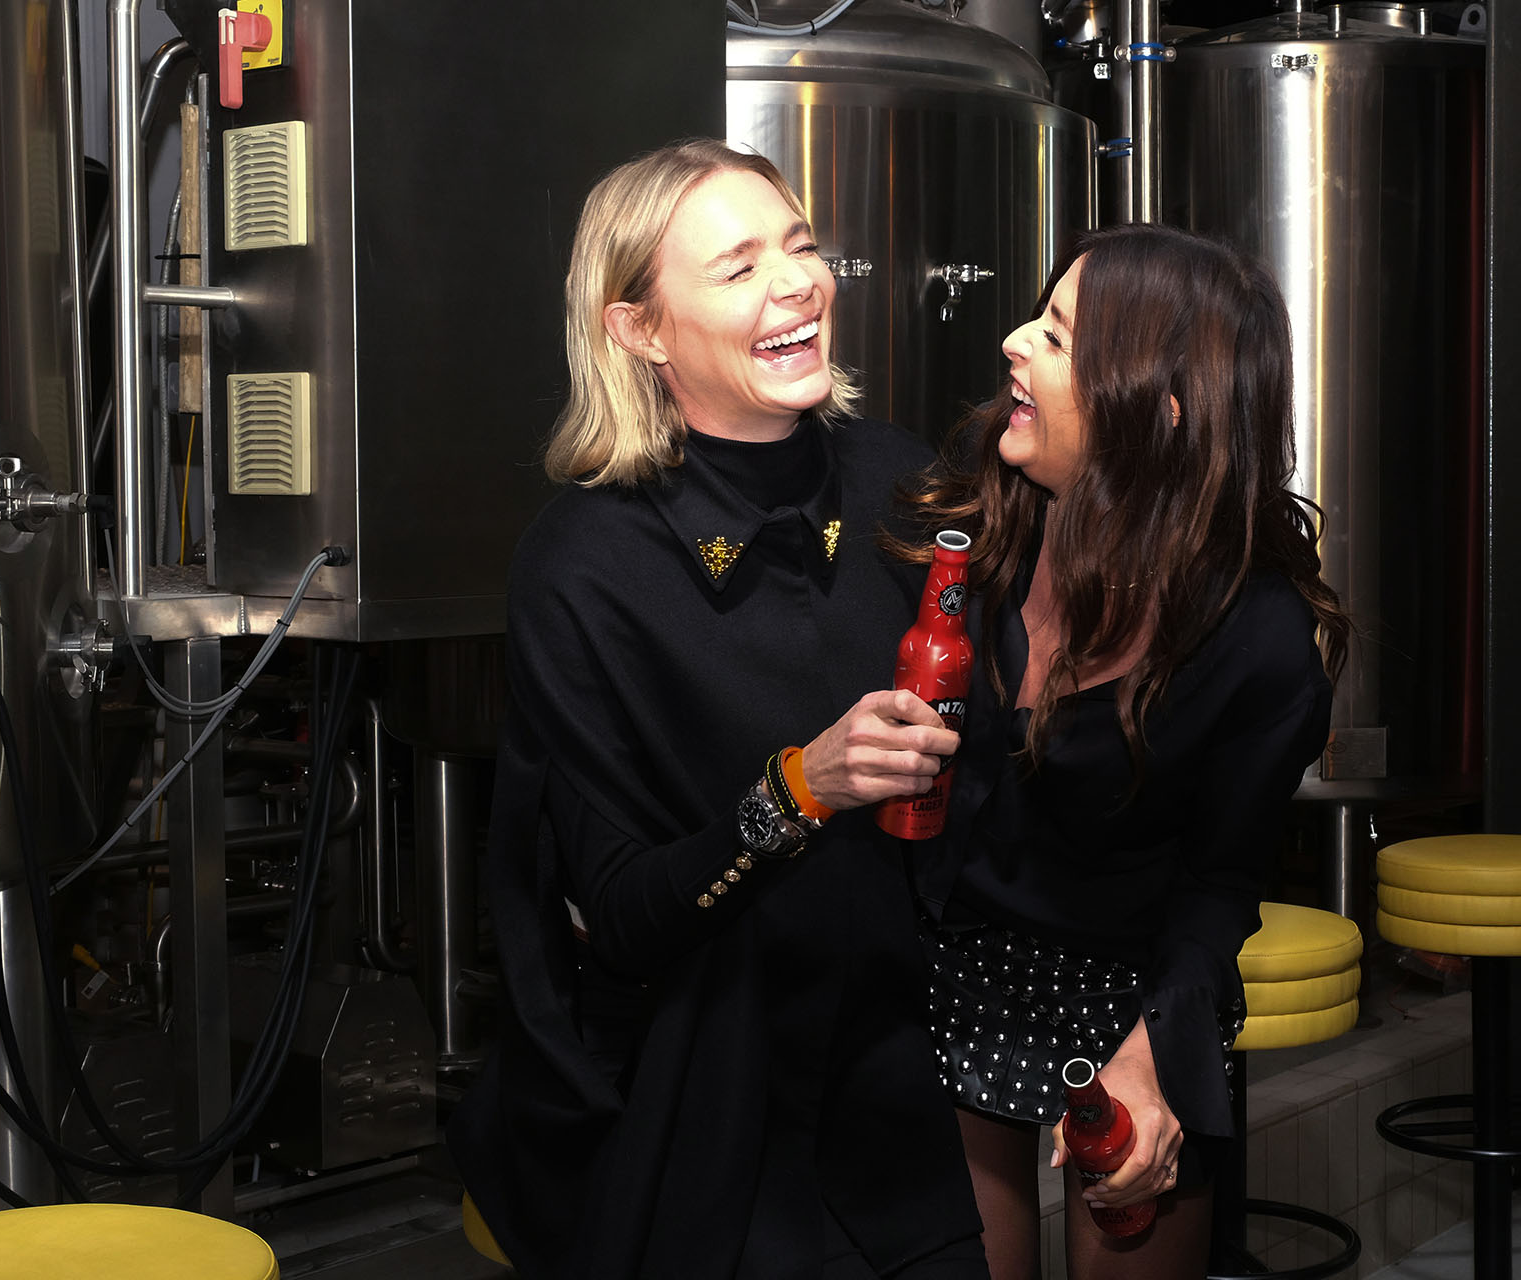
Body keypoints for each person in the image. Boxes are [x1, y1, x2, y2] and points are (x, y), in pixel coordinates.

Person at [446, 139, 989, 1280]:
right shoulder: (584, 563)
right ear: (640, 330)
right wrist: (804, 786)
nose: (797, 281)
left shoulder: (898, 479)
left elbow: (990, 782)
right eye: (738, 266)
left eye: (798, 245)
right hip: (699, 1109)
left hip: (895, 1092)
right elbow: (626, 910)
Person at [898, 224, 1349, 1280]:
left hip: (1135, 983)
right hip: (958, 955)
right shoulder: (985, 498)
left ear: (1158, 408)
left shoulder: (1259, 641)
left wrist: (1152, 1058)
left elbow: (1221, 880)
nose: (1014, 341)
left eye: (1055, 336)